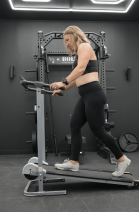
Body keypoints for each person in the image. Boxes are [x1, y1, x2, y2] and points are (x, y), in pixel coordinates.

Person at [50, 26, 131, 177]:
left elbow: (80, 69)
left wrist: (63, 81)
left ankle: (122, 159)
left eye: (68, 40)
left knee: (98, 130)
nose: (66, 43)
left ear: (75, 36)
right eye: (65, 41)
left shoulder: (84, 46)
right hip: (86, 96)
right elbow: (78, 78)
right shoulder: (79, 52)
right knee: (74, 125)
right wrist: (63, 89)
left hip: (94, 94)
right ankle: (74, 163)